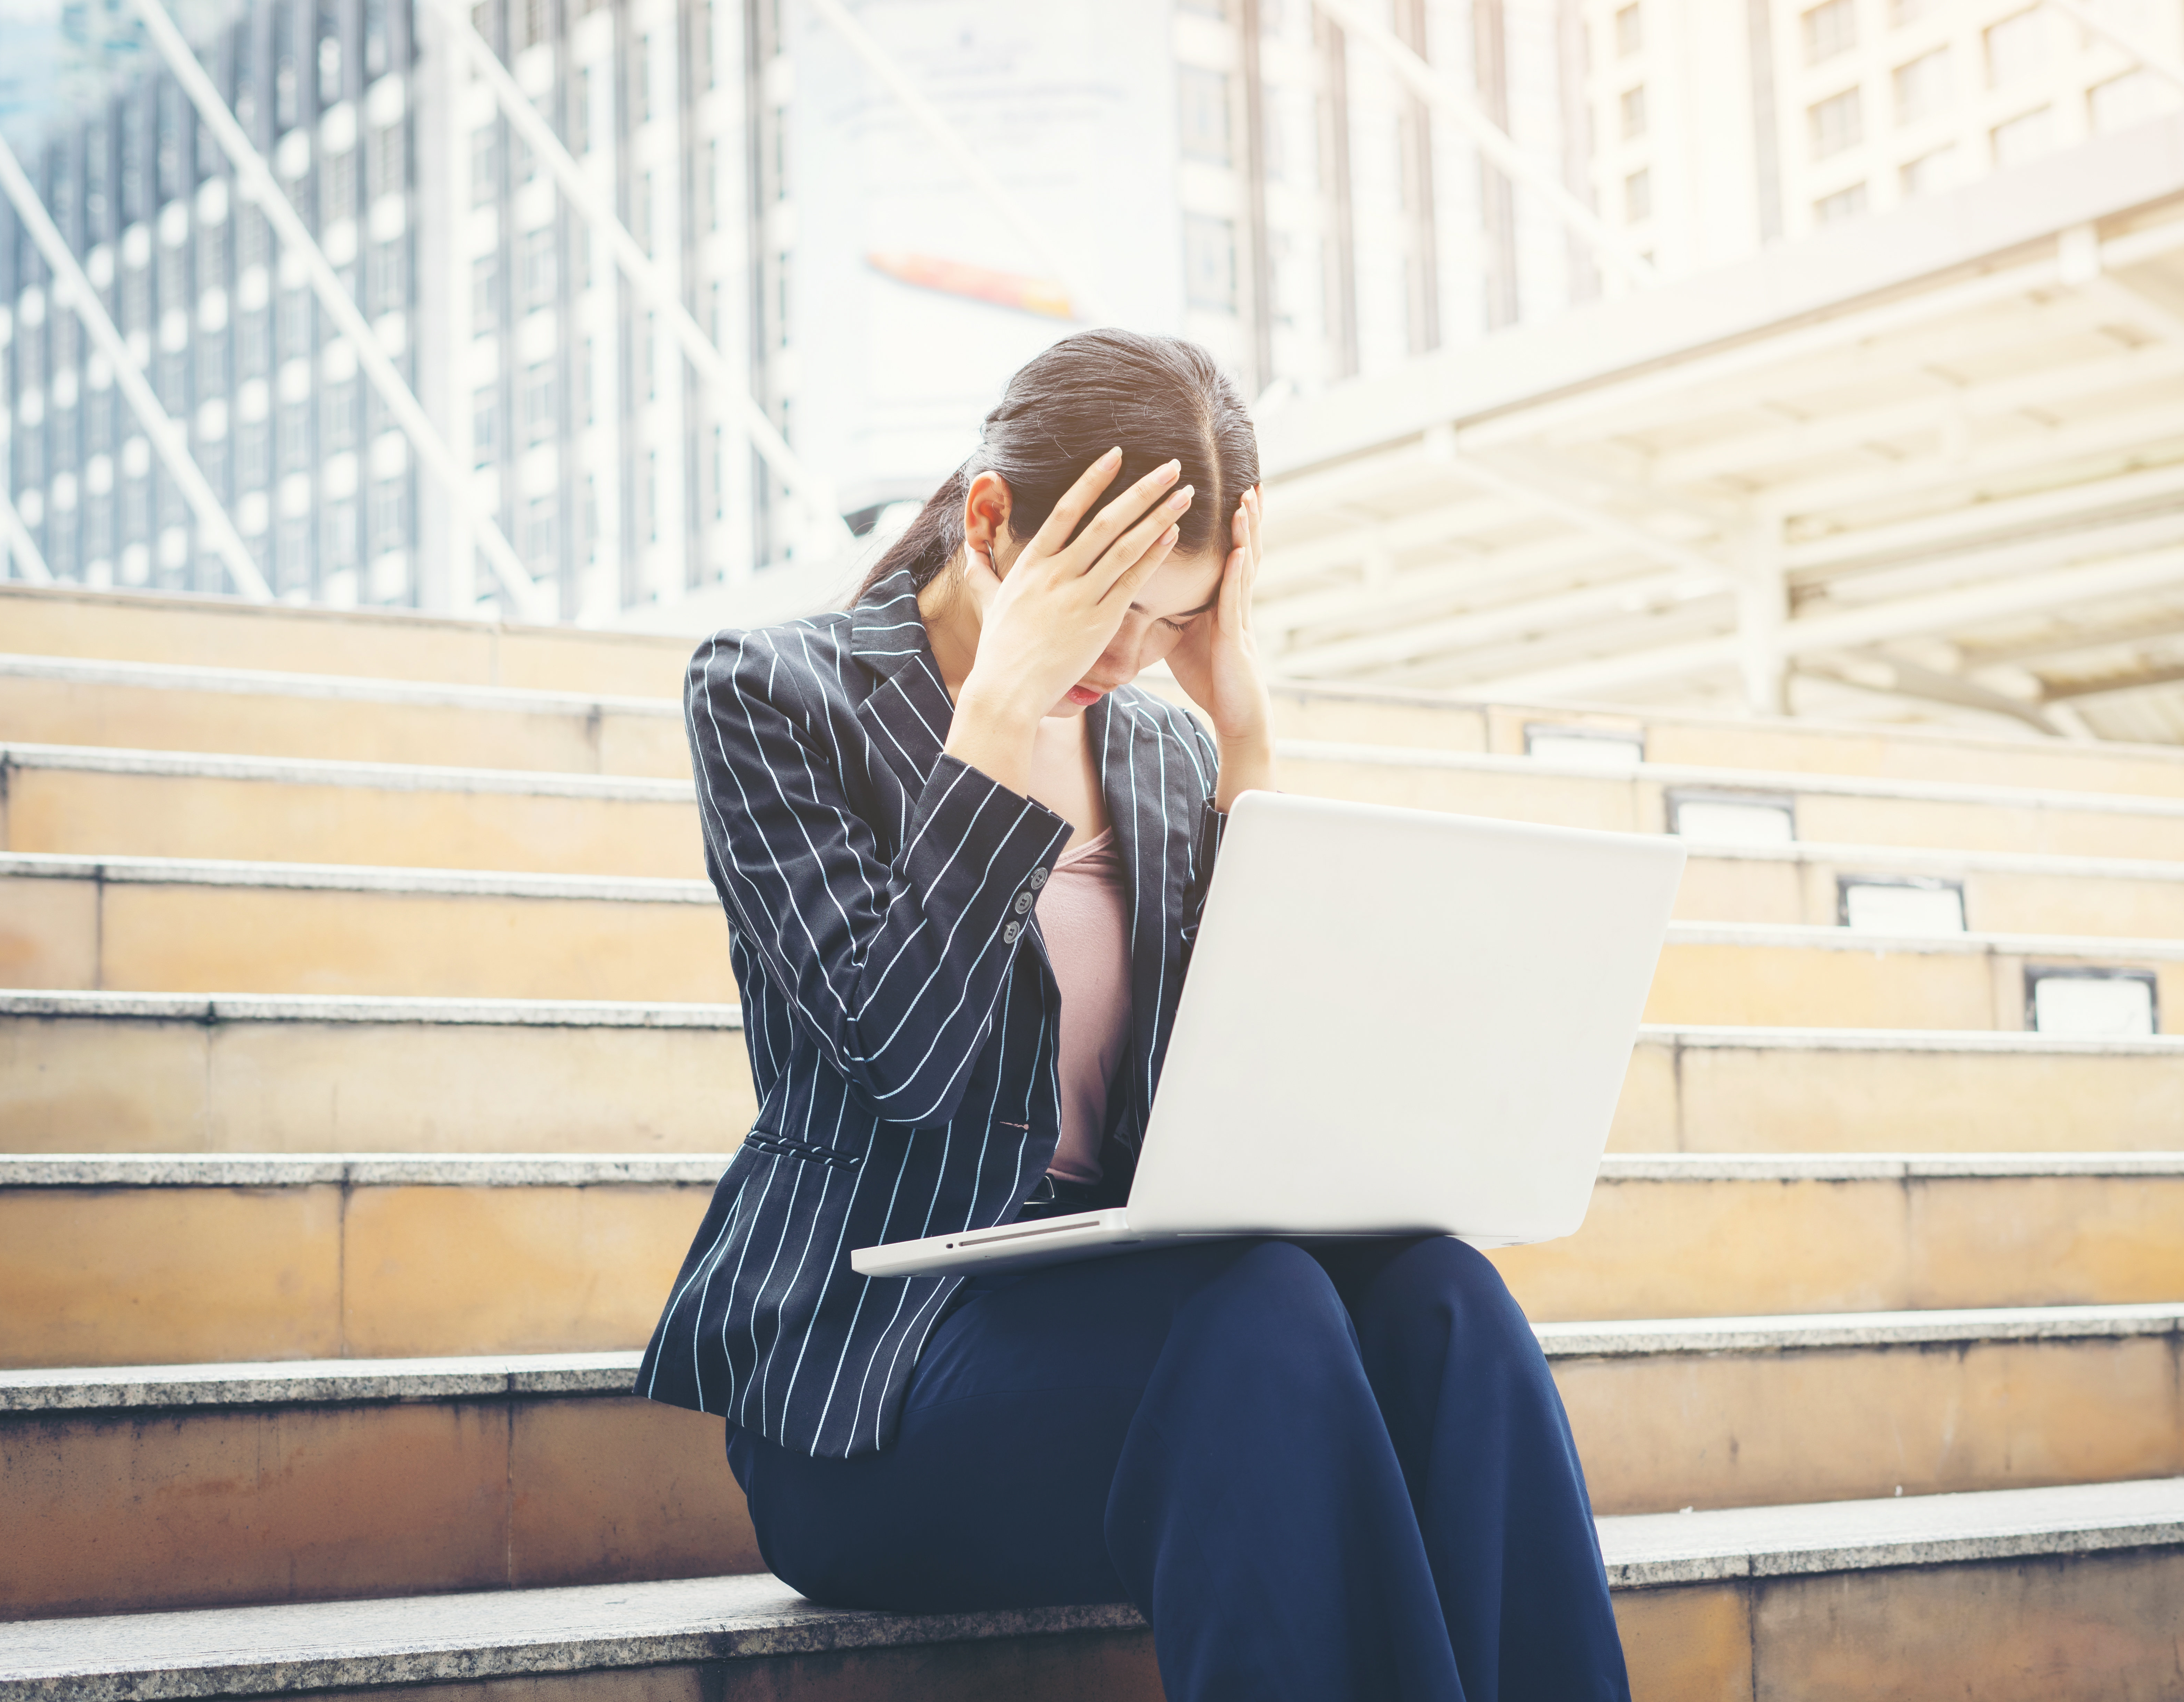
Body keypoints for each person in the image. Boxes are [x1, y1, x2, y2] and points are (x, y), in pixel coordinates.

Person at [635, 329, 1630, 1701]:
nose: (1131, 651)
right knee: (1261, 1315)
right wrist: (996, 713)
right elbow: (901, 1063)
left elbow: (1253, 1089)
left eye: (1174, 618)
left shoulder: (1160, 746)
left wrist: (1249, 747)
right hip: (876, 1388)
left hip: (1132, 1323)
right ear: (991, 521)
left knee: (1445, 1299)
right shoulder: (773, 696)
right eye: (1106, 601)